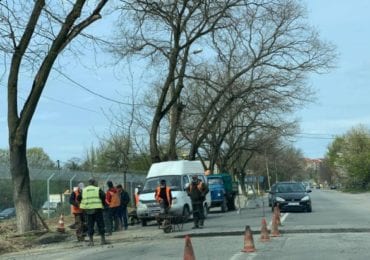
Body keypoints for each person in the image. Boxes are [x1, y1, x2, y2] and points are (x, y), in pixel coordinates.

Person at [79, 178, 107, 246]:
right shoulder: (97, 189)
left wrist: (84, 203)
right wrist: (103, 203)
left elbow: (78, 198)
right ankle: (103, 240)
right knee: (100, 224)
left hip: (88, 210)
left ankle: (91, 242)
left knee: (90, 225)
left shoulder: (84, 190)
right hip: (97, 209)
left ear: (89, 183)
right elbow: (103, 195)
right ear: (94, 183)